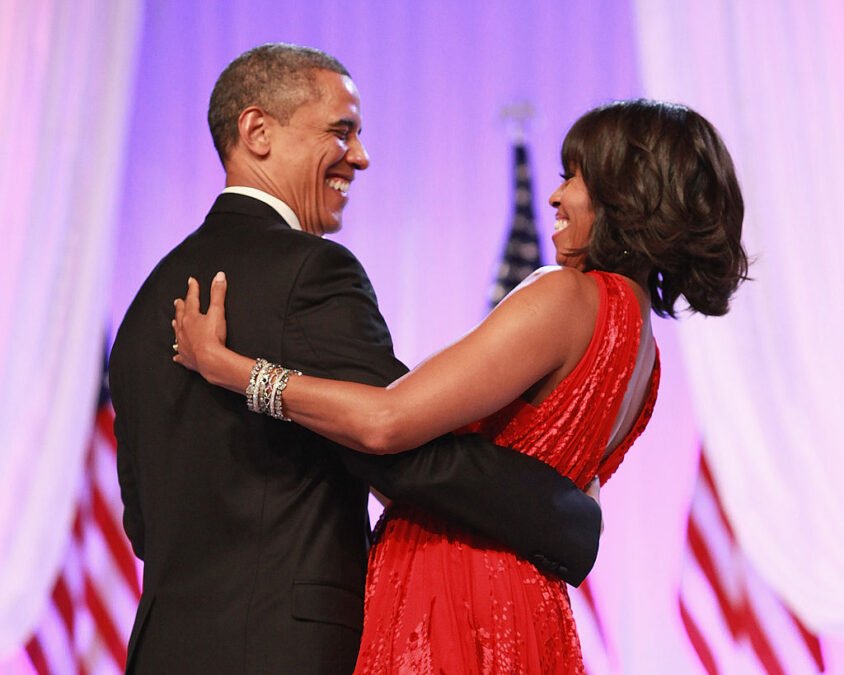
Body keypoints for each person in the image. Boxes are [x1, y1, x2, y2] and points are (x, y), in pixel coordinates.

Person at [171, 98, 749, 672]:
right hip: (530, 607)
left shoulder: (567, 295)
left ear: (629, 196)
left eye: (573, 178)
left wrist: (231, 369)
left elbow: (386, 421)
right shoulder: (645, 351)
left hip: (454, 594)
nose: (555, 196)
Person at [109, 43, 603, 674]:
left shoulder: (150, 296)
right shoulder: (308, 272)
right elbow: (400, 447)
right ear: (257, 131)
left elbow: (144, 526)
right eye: (341, 132)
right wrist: (564, 515)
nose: (361, 158)